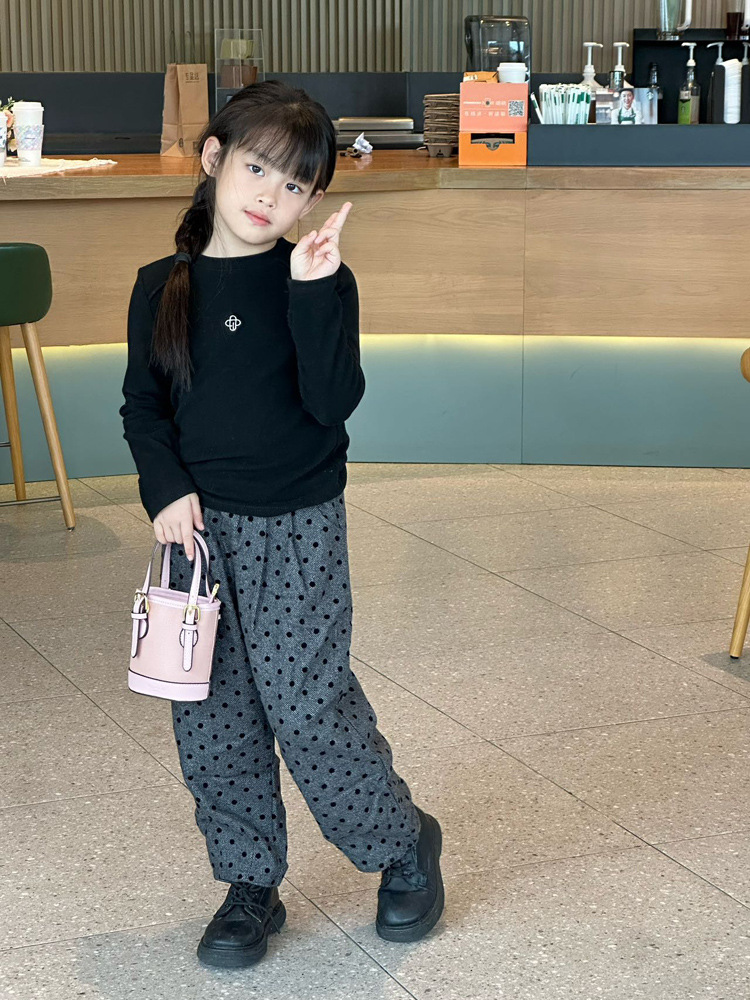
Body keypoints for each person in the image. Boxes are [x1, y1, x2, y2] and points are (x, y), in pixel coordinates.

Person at [120, 79, 444, 969]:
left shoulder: (320, 278)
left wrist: (313, 291)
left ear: (313, 199)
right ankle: (249, 883)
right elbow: (143, 408)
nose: (271, 196)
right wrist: (164, 491)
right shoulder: (160, 287)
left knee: (307, 708)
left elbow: (333, 403)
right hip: (196, 537)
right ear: (214, 159)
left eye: (296, 184)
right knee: (213, 718)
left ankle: (401, 844)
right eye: (258, 168)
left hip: (297, 527)